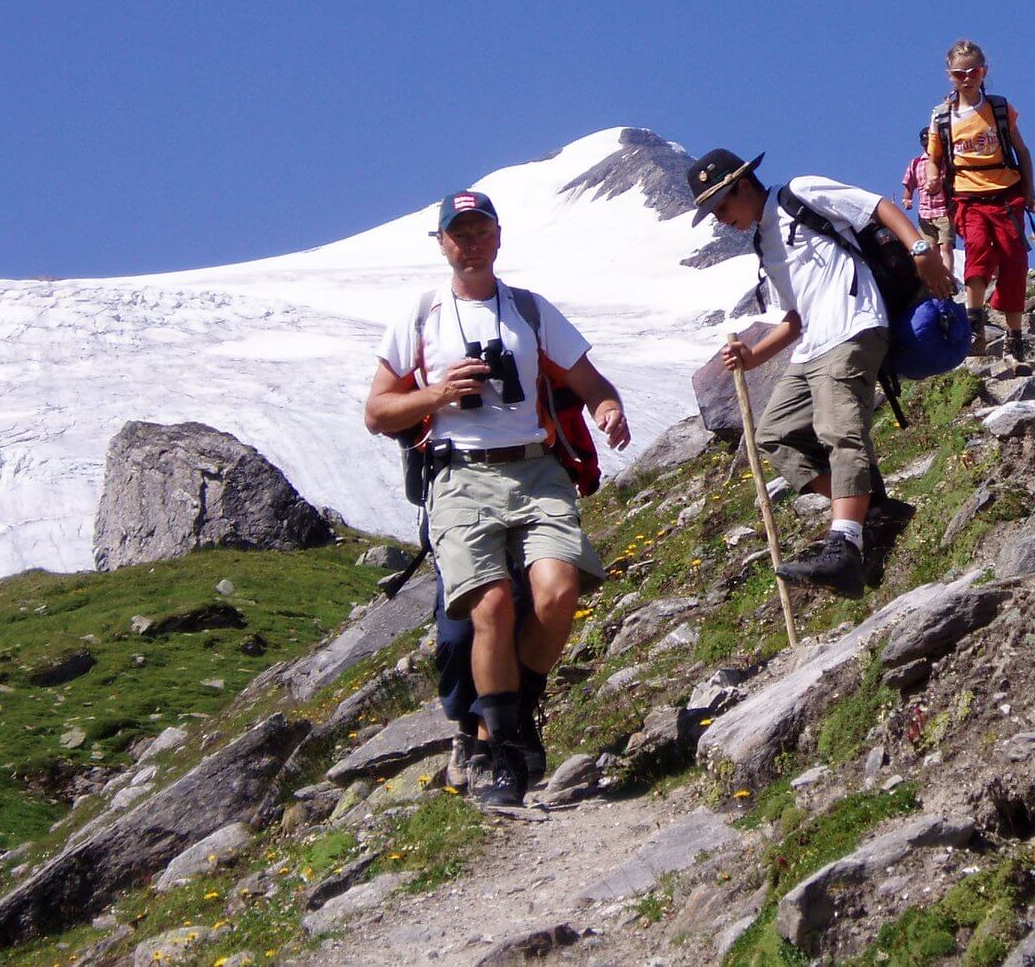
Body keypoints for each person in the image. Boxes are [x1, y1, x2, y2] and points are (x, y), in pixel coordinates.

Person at [364, 190, 631, 806]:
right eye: (458, 233)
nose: (471, 243)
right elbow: (378, 411)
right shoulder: (420, 315)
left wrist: (608, 406)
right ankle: (501, 751)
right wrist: (435, 397)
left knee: (560, 591)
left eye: (480, 229)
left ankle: (512, 718)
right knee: (489, 607)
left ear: (499, 236)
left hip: (537, 469)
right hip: (459, 474)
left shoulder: (531, 312)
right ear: (441, 244)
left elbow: (590, 380)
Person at [687, 149, 952, 596]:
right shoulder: (764, 244)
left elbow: (877, 207)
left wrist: (921, 249)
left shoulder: (800, 193)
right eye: (712, 211)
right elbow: (794, 317)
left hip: (853, 326)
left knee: (837, 431)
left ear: (744, 185)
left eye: (721, 205)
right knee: (775, 433)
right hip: (813, 346)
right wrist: (753, 357)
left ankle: (844, 546)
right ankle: (872, 512)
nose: (719, 218)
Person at [924, 39, 1035, 363]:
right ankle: (976, 328)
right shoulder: (942, 117)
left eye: (973, 71)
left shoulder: (999, 109)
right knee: (977, 250)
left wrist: (1029, 191)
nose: (967, 78)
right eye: (960, 73)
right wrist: (933, 176)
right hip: (967, 197)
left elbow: (1022, 151)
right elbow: (934, 158)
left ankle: (1015, 342)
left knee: (1014, 261)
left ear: (983, 71)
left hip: (1006, 195)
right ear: (950, 75)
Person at [900, 128, 956, 281]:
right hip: (925, 213)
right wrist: (907, 199)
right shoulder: (916, 163)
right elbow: (909, 184)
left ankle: (948, 278)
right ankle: (938, 278)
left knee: (946, 246)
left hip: (944, 210)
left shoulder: (945, 161)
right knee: (931, 249)